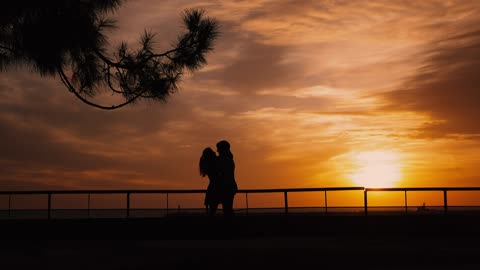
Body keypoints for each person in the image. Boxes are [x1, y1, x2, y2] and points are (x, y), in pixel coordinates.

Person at [216, 140, 238, 219]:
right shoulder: (230, 159)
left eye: (218, 148)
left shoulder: (223, 160)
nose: (217, 151)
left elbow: (219, 172)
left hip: (226, 187)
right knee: (228, 208)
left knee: (227, 209)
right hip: (231, 186)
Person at [199, 147, 220, 216]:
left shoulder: (208, 164)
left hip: (212, 188)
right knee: (213, 210)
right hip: (216, 187)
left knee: (212, 210)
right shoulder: (214, 163)